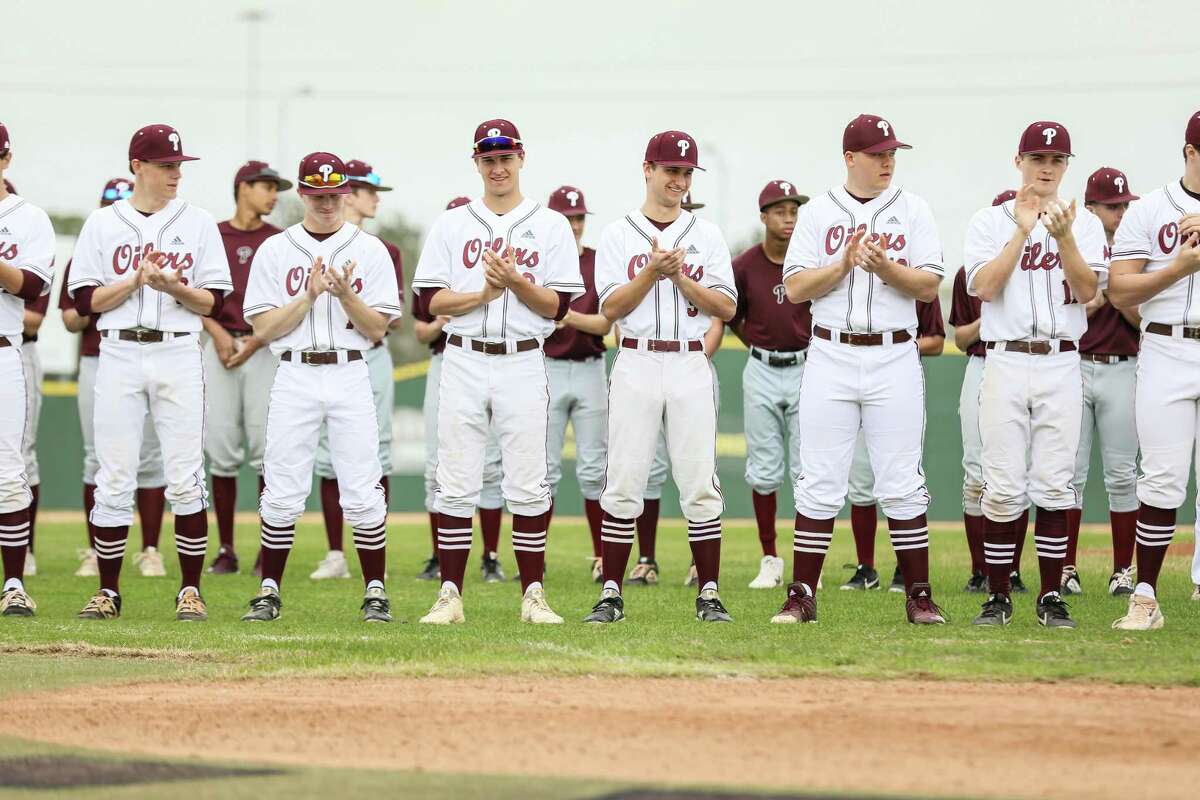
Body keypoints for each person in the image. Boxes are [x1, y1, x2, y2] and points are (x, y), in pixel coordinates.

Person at [773, 113, 946, 626]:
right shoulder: (819, 212)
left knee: (901, 480)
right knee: (820, 479)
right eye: (877, 153)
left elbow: (930, 285)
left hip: (894, 353)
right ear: (851, 158)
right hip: (831, 352)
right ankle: (802, 593)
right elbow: (796, 289)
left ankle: (918, 593)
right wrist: (843, 265)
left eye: (892, 152)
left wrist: (886, 268)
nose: (887, 160)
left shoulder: (913, 210)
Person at [412, 119, 583, 625]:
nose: (498, 166)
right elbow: (429, 300)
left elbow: (558, 305)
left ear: (521, 159)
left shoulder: (549, 224)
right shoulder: (452, 223)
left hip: (524, 357)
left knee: (529, 481)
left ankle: (533, 594)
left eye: (505, 156)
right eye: (488, 158)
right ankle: (449, 595)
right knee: (456, 482)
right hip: (462, 355)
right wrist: (483, 295)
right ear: (476, 163)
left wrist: (513, 282)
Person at [67, 124, 233, 621]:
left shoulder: (199, 222)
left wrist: (172, 288)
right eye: (165, 165)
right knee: (113, 474)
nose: (175, 173)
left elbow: (216, 301)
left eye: (179, 165)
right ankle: (109, 591)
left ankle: (189, 590)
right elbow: (84, 302)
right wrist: (137, 280)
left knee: (185, 474)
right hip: (117, 352)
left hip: (179, 351)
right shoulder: (102, 223)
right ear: (137, 166)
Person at [240, 151, 400, 623]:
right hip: (294, 370)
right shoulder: (275, 249)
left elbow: (377, 330)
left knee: (363, 486)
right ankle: (269, 589)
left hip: (351, 367)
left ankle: (375, 590)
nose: (327, 202)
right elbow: (264, 329)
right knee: (283, 487)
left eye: (334, 193)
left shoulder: (370, 250)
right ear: (303, 194)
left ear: (344, 193)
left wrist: (346, 294)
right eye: (317, 193)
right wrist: (309, 296)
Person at [585, 129, 737, 624]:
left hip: (691, 359)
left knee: (698, 481)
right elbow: (609, 307)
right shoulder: (617, 232)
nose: (680, 180)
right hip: (636, 357)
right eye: (671, 170)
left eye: (687, 172)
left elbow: (727, 308)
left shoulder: (706, 234)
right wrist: (651, 273)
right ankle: (611, 592)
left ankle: (709, 593)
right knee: (624, 479)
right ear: (647, 170)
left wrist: (680, 277)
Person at [965, 121, 1106, 629]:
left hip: (1062, 358)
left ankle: (1050, 596)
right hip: (1004, 356)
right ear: (1018, 161)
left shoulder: (1084, 223)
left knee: (1054, 482)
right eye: (1037, 158)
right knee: (1001, 484)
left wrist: (1064, 237)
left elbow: (1088, 289)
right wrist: (1022, 230)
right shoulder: (988, 220)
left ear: (1066, 166)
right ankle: (998, 596)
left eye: (1057, 160)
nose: (1047, 168)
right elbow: (984, 287)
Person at [1108, 111, 1200, 630]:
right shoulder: (1149, 209)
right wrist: (1175, 270)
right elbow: (1119, 290)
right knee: (1162, 479)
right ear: (1190, 152)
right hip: (1167, 345)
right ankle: (1145, 596)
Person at [61, 179, 168, 580]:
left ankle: (151, 549)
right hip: (98, 358)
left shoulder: (162, 252)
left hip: (153, 356)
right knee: (97, 456)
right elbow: (72, 318)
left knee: (152, 458)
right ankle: (94, 549)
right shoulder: (84, 257)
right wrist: (107, 297)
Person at [309, 159, 406, 581]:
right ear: (348, 193)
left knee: (378, 450)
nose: (374, 200)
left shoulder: (385, 251)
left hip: (370, 351)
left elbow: (394, 318)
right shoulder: (307, 246)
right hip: (324, 354)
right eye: (369, 191)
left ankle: (372, 549)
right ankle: (335, 552)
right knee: (328, 456)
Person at [413, 196, 507, 583]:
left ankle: (490, 556)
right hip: (446, 360)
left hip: (496, 360)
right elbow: (422, 328)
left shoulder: (496, 260)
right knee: (438, 464)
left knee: (491, 465)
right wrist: (448, 316)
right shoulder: (441, 261)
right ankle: (439, 555)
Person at [943, 191, 1031, 594]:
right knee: (976, 470)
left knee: (1019, 473)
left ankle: (1010, 570)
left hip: (1024, 365)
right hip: (981, 362)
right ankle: (980, 570)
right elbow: (960, 337)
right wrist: (992, 310)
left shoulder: (1038, 270)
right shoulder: (970, 274)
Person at [205, 161, 290, 575]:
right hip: (217, 343)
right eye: (266, 186)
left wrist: (256, 340)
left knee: (264, 451)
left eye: (276, 188)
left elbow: (285, 302)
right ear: (243, 188)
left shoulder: (280, 240)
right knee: (220, 450)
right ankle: (225, 549)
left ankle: (264, 549)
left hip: (264, 346)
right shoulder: (213, 234)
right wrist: (218, 334)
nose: (274, 195)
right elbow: (195, 293)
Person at [1061, 166, 1141, 597]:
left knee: (1122, 474)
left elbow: (1141, 319)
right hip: (1075, 363)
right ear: (1089, 208)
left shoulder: (1136, 250)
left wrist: (1117, 291)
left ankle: (1123, 570)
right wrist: (1096, 290)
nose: (1120, 213)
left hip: (1124, 364)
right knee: (1069, 473)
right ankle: (1066, 568)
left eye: (1124, 205)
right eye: (1112, 206)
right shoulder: (1074, 246)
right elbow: (1073, 311)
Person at [728, 179, 810, 590]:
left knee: (805, 470)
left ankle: (806, 563)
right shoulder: (744, 265)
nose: (789, 218)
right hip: (761, 366)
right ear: (764, 217)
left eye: (794, 210)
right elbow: (731, 314)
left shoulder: (809, 259)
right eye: (780, 211)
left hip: (805, 365)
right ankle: (770, 558)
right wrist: (756, 343)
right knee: (763, 469)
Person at [842, 296, 945, 592]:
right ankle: (866, 569)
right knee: (860, 482)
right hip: (849, 379)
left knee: (903, 480)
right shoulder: (847, 277)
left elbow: (936, 340)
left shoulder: (912, 274)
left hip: (898, 383)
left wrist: (892, 348)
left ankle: (905, 568)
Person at [0, 122, 56, 617]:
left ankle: (14, 583)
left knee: (9, 472)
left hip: (3, 353)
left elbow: (30, 287)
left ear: (6, 159)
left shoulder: (28, 217)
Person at [542, 185, 611, 579]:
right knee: (544, 469)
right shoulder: (540, 263)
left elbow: (604, 322)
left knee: (593, 468)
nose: (574, 226)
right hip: (547, 367)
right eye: (567, 219)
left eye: (579, 218)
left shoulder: (598, 262)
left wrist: (564, 316)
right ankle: (537, 556)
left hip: (588, 365)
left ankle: (603, 556)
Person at [19, 275, 50, 577]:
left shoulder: (29, 234)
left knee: (22, 454)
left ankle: (25, 549)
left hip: (17, 350)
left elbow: (32, 321)